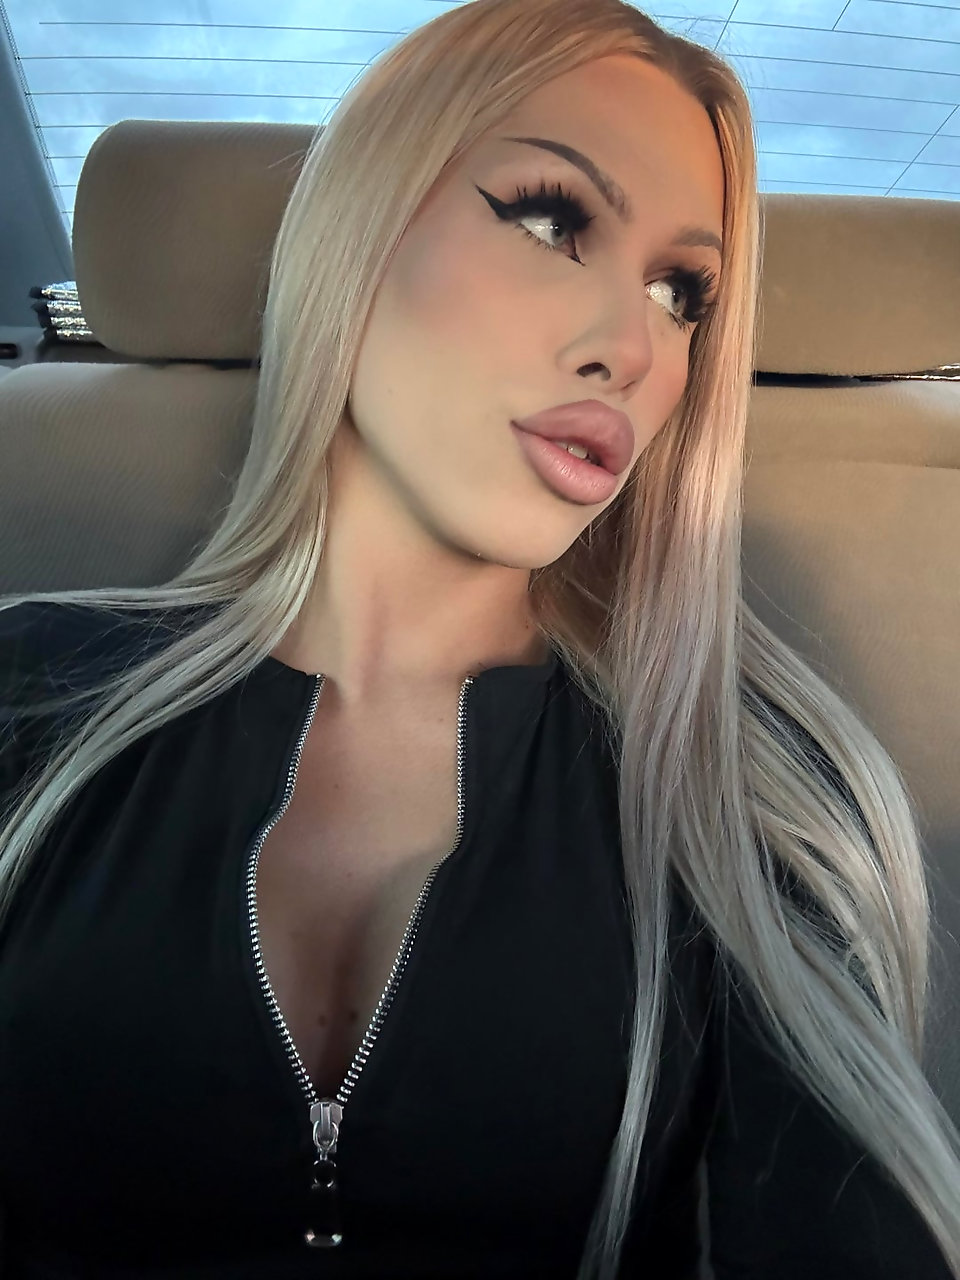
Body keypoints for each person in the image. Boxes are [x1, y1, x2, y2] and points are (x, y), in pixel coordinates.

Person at [0, 1, 958, 1277]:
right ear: (361, 227)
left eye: (682, 293)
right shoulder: (30, 691)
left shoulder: (749, 801)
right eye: (554, 221)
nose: (634, 348)